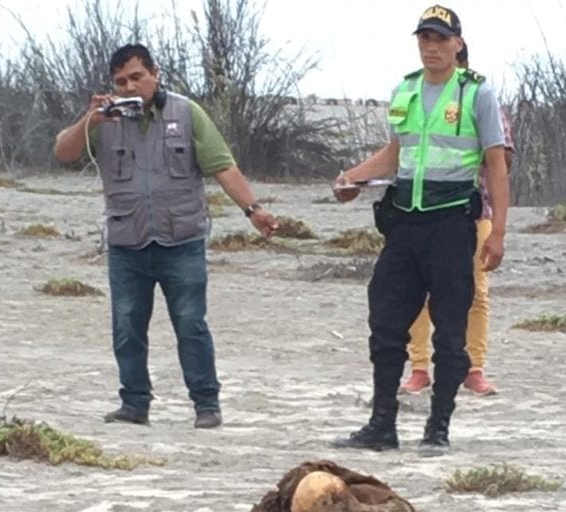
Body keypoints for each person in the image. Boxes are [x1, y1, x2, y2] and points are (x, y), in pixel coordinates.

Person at [54, 43, 277, 429]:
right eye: (121, 81)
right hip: (127, 243)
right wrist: (90, 119)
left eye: (137, 76)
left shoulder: (186, 112)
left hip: (182, 241)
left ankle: (206, 405)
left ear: (154, 73)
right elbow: (63, 152)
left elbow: (222, 166)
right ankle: (134, 404)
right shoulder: (103, 121)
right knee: (126, 327)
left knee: (191, 325)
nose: (129, 86)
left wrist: (253, 210)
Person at [332, 6, 509, 456]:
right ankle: (381, 425)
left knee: (450, 328)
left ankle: (437, 428)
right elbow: (395, 154)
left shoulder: (476, 93)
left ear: (458, 44)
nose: (431, 47)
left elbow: (496, 164)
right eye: (424, 38)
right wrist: (350, 177)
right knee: (386, 321)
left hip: (451, 224)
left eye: (440, 39)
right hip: (404, 225)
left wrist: (499, 232)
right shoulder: (406, 89)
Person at [402, 60, 515, 398]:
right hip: (424, 214)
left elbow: (502, 160)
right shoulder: (415, 98)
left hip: (473, 210)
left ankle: (474, 368)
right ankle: (419, 368)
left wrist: (498, 230)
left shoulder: (481, 100)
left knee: (476, 291)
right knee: (418, 292)